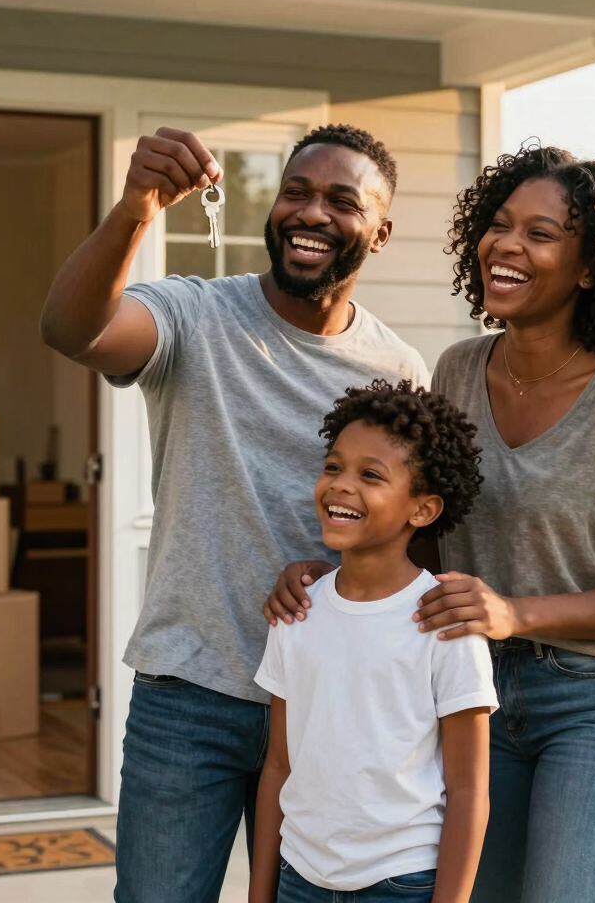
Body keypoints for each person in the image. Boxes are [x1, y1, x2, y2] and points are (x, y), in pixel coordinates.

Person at [265, 146, 595, 903]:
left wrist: (512, 612)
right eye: (499, 226)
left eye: (541, 233)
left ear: (592, 265)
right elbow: (424, 527)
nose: (506, 245)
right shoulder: (459, 370)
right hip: (474, 688)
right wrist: (333, 572)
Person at [40, 124, 429, 902]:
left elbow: (408, 532)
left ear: (379, 233)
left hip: (328, 701)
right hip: (190, 693)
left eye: (341, 201)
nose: (311, 212)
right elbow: (71, 330)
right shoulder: (193, 315)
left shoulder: (399, 371)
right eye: (296, 192)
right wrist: (134, 208)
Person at [250, 380, 496, 903]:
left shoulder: (444, 622)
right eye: (334, 467)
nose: (340, 485)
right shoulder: (297, 611)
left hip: (401, 883)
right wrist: (260, 894)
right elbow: (278, 765)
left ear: (423, 509)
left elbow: (470, 790)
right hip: (300, 877)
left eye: (371, 475)